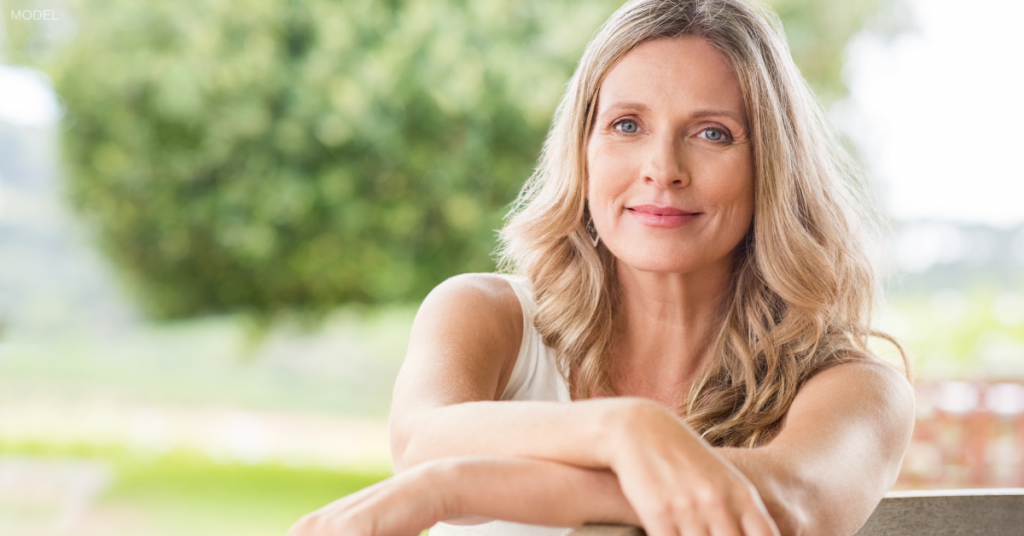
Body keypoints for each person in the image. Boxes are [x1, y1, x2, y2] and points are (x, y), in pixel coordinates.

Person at [289, 0, 915, 534]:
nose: (662, 167)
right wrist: (622, 429)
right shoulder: (485, 315)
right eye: (626, 125)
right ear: (582, 152)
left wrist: (453, 490)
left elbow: (788, 502)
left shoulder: (859, 388)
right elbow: (423, 439)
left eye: (713, 133)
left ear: (772, 168)